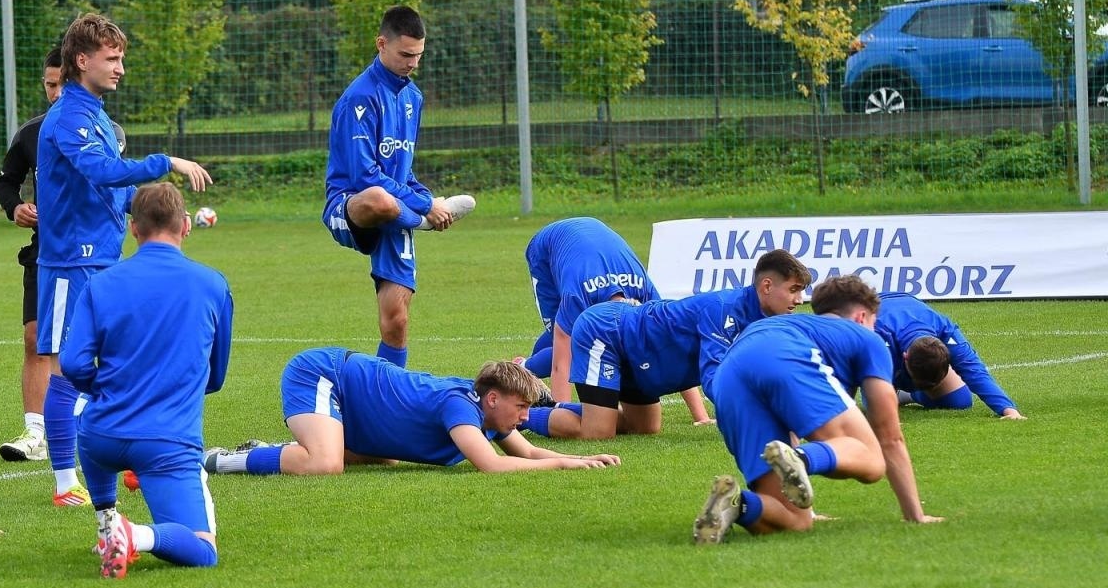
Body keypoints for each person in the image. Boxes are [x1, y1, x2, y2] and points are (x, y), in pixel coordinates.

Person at [34, 13, 212, 507]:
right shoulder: (69, 115)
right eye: (112, 59)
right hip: (72, 260)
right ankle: (65, 482)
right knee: (67, 370)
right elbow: (101, 170)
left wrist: (169, 217)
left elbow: (112, 188)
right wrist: (165, 162)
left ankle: (126, 458)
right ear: (82, 60)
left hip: (104, 258)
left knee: (112, 361)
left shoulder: (92, 113)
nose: (120, 69)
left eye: (121, 59)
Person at [59, 182, 233, 578]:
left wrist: (104, 388)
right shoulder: (212, 284)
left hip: (99, 436)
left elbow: (72, 363)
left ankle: (107, 524)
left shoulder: (101, 283)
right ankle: (132, 535)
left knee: (91, 430)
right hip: (165, 441)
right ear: (186, 225)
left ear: (133, 229)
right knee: (204, 550)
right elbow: (216, 374)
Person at [693, 274, 942, 544]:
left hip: (729, 375)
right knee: (872, 459)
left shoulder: (803, 327)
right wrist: (915, 514)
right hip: (782, 354)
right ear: (861, 317)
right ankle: (801, 458)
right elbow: (889, 437)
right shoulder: (865, 338)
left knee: (797, 521)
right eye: (873, 322)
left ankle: (736, 504)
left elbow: (793, 414)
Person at [322, 5, 475, 368]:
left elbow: (403, 171)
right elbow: (365, 177)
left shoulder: (413, 99)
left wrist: (421, 196)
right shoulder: (359, 98)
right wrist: (426, 207)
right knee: (379, 198)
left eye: (419, 56)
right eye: (406, 55)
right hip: (351, 204)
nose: (413, 64)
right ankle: (424, 219)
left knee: (397, 320)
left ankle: (385, 400)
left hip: (397, 210)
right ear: (381, 44)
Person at [535, 250, 811, 440]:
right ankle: (525, 414)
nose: (799, 300)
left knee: (644, 429)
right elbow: (714, 378)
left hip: (641, 362)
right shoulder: (723, 310)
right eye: (793, 289)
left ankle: (580, 404)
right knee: (597, 434)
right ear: (766, 286)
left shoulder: (763, 320)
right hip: (607, 333)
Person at [203, 351, 619, 476]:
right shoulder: (461, 406)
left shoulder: (490, 417)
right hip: (323, 374)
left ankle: (281, 449)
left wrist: (582, 460)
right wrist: (565, 463)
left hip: (356, 407)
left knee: (385, 460)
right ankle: (222, 460)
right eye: (522, 407)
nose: (526, 418)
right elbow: (491, 466)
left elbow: (526, 454)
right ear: (493, 398)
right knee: (325, 465)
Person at [0, 46, 66, 463]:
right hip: (43, 251)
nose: (54, 93)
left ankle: (91, 424)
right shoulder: (32, 133)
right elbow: (6, 180)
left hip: (88, 256)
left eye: (61, 84)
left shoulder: (105, 131)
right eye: (48, 85)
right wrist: (16, 207)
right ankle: (35, 432)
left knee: (82, 345)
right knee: (35, 338)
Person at [519, 216, 661, 379]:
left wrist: (698, 405)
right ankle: (521, 369)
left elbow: (673, 351)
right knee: (568, 345)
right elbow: (561, 361)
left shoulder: (650, 301)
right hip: (547, 247)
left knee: (590, 340)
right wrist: (559, 405)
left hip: (591, 243)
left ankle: (527, 377)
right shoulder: (577, 296)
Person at [872, 292, 1024, 419]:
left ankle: (902, 395)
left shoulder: (946, 331)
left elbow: (975, 371)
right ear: (905, 357)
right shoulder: (877, 335)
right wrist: (886, 417)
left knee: (959, 400)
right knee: (875, 401)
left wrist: (1009, 410)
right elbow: (867, 379)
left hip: (905, 319)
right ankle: (891, 391)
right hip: (877, 309)